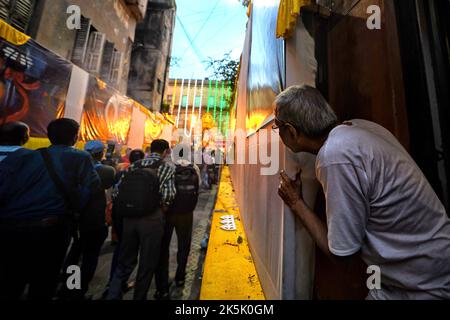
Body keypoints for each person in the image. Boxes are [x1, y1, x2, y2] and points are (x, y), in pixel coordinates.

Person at [274, 85, 450, 300]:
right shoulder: (359, 128)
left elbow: (342, 254)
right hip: (398, 278)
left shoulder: (336, 155)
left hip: (426, 283)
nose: (278, 132)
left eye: (277, 126)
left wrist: (296, 203)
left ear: (292, 131)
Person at [0, 118, 101, 300]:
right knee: (45, 280)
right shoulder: (81, 158)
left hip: (13, 227)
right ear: (74, 138)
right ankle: (73, 291)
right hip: (51, 228)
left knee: (13, 279)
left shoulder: (28, 156)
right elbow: (90, 190)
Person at [107, 140, 176, 300]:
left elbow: (117, 193)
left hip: (129, 219)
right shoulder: (167, 167)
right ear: (166, 151)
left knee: (125, 261)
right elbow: (169, 196)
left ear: (151, 149)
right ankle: (139, 297)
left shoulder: (133, 166)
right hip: (152, 220)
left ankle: (113, 294)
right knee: (147, 262)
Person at [58, 140, 116, 300]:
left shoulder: (73, 169)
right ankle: (79, 291)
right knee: (90, 257)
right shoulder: (107, 171)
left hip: (76, 218)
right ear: (101, 153)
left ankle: (69, 286)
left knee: (74, 253)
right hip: (96, 221)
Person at [154, 144, 201, 300]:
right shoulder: (194, 167)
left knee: (163, 246)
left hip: (168, 212)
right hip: (186, 213)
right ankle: (180, 277)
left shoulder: (167, 166)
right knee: (184, 245)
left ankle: (162, 286)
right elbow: (198, 188)